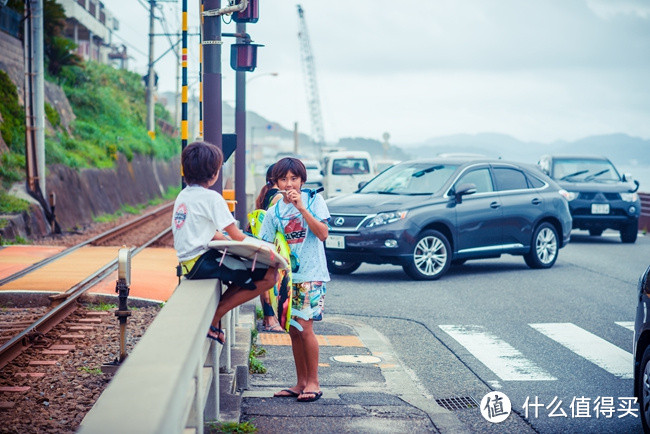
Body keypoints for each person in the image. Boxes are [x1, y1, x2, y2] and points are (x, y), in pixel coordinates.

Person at [172, 141, 278, 344]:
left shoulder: (183, 196)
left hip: (190, 262)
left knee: (250, 272)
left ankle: (216, 317)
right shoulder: (211, 198)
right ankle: (214, 317)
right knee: (269, 274)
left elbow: (213, 234)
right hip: (201, 262)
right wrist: (267, 247)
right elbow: (237, 236)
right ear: (214, 174)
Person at [258, 157, 330, 403]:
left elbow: (322, 234)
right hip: (287, 280)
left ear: (302, 180)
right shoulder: (273, 212)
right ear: (275, 183)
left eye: (294, 178)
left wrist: (302, 208)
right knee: (293, 329)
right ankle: (300, 382)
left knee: (305, 326)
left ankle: (314, 382)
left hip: (311, 275)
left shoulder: (314, 200)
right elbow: (267, 246)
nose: (289, 184)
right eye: (283, 179)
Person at [253, 164, 283, 332]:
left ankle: (268, 319)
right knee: (272, 281)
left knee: (268, 279)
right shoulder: (277, 196)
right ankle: (271, 320)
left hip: (264, 241)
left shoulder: (266, 193)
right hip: (272, 242)